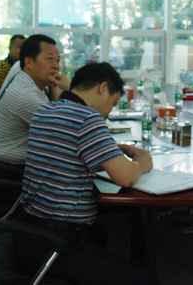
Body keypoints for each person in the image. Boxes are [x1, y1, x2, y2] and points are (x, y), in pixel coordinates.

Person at [13, 62, 158, 284]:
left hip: (27, 231)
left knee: (100, 234)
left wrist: (118, 148)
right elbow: (126, 177)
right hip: (55, 244)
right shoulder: (88, 118)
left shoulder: (46, 109)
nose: (109, 113)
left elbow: (67, 150)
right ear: (103, 88)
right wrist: (141, 163)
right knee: (146, 279)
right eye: (113, 103)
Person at [0, 34, 71, 166]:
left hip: (13, 161)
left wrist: (53, 84)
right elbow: (66, 133)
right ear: (29, 62)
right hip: (3, 168)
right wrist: (70, 89)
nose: (56, 67)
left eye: (57, 61)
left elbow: (55, 111)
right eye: (49, 59)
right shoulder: (25, 95)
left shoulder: (30, 81)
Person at [0, 34, 26, 99]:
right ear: (10, 48)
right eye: (19, 47)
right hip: (1, 104)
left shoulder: (22, 66)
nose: (23, 51)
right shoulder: (3, 66)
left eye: (25, 48)